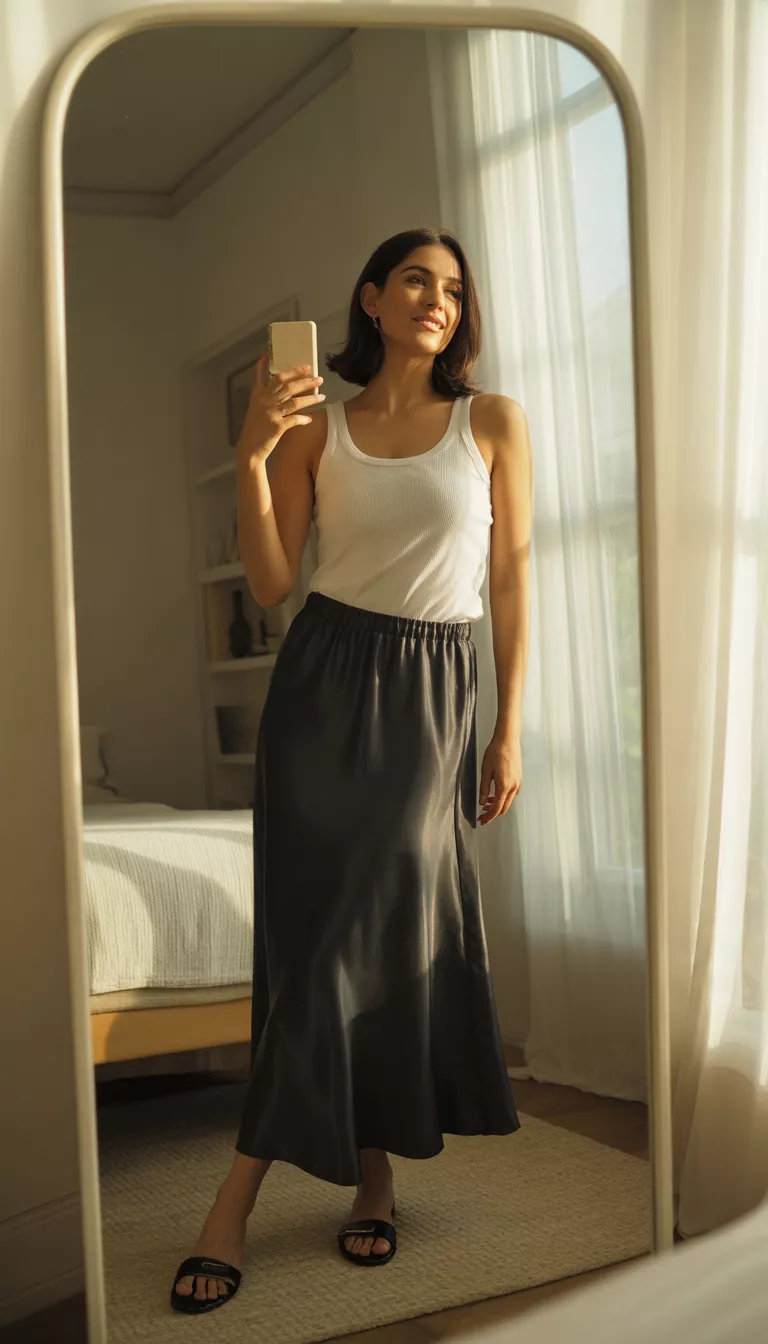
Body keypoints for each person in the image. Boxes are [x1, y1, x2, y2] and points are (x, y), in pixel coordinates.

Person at [170, 228, 533, 1314]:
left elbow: (510, 583)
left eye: (454, 286)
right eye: (416, 279)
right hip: (320, 691)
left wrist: (509, 727)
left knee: (370, 938)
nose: (437, 298)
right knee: (316, 943)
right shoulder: (317, 428)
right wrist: (249, 452)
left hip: (432, 697)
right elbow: (275, 583)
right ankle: (353, 1179)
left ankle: (256, 1195)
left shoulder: (494, 422)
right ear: (371, 300)